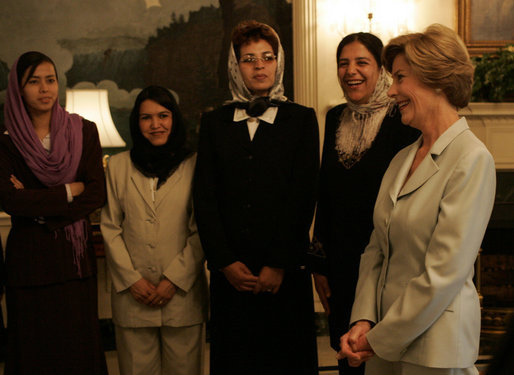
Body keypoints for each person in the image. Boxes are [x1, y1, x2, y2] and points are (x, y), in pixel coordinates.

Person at [339, 24, 496, 375]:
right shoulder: (402, 158)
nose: (391, 91)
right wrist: (364, 319)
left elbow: (444, 274)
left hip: (435, 350)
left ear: (436, 78)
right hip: (383, 344)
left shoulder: (472, 158)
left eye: (399, 78)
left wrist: (379, 337)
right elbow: (376, 247)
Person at [193, 20, 319, 375]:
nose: (259, 66)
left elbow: (303, 195)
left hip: (285, 272)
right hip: (231, 275)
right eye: (248, 59)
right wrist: (224, 262)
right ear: (235, 65)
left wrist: (277, 263)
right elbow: (205, 197)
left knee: (286, 361)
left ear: (279, 62)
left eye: (267, 57)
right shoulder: (214, 122)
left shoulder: (301, 119)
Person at [309, 32, 419, 375]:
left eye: (361, 62)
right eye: (343, 63)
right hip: (341, 266)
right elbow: (325, 195)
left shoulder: (401, 119)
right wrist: (320, 265)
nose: (350, 71)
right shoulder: (333, 116)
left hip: (388, 265)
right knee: (348, 358)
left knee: (381, 361)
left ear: (380, 69)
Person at [0, 51, 107, 374]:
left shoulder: (84, 131)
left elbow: (95, 194)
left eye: (50, 80)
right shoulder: (6, 144)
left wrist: (40, 206)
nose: (44, 89)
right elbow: (11, 202)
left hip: (74, 264)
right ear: (19, 89)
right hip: (28, 266)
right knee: (33, 356)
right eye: (34, 82)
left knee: (77, 354)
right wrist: (66, 192)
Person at [101, 86, 208, 375]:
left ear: (175, 119)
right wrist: (132, 280)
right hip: (132, 296)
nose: (155, 125)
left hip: (182, 296)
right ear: (137, 123)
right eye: (146, 118)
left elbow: (202, 230)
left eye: (163, 115)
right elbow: (110, 227)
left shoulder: (195, 165)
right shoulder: (118, 166)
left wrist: (173, 280)